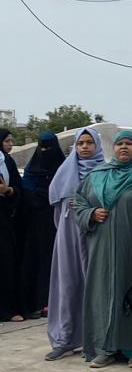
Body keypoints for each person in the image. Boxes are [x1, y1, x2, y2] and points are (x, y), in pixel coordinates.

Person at [74, 130, 132, 368]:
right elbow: (78, 202)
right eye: (119, 144)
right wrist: (91, 213)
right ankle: (104, 349)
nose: (124, 148)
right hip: (102, 247)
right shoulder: (98, 175)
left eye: (129, 144)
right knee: (104, 295)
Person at [45, 127, 105, 360]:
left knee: (95, 286)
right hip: (68, 235)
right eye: (80, 143)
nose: (85, 147)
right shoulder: (65, 171)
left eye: (90, 142)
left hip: (96, 233)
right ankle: (65, 338)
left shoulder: (105, 171)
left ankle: (97, 340)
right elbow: (58, 208)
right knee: (68, 284)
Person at [19, 132, 66, 319]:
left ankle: (54, 301)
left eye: (49, 148)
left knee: (57, 263)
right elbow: (24, 192)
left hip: (58, 224)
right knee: (35, 262)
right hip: (35, 226)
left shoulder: (64, 170)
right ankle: (36, 302)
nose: (45, 152)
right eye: (42, 147)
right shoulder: (31, 171)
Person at [0, 128, 25, 322]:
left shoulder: (7, 161)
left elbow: (18, 189)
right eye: (7, 141)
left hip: (4, 219)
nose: (10, 144)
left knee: (6, 262)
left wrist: (8, 190)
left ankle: (8, 309)